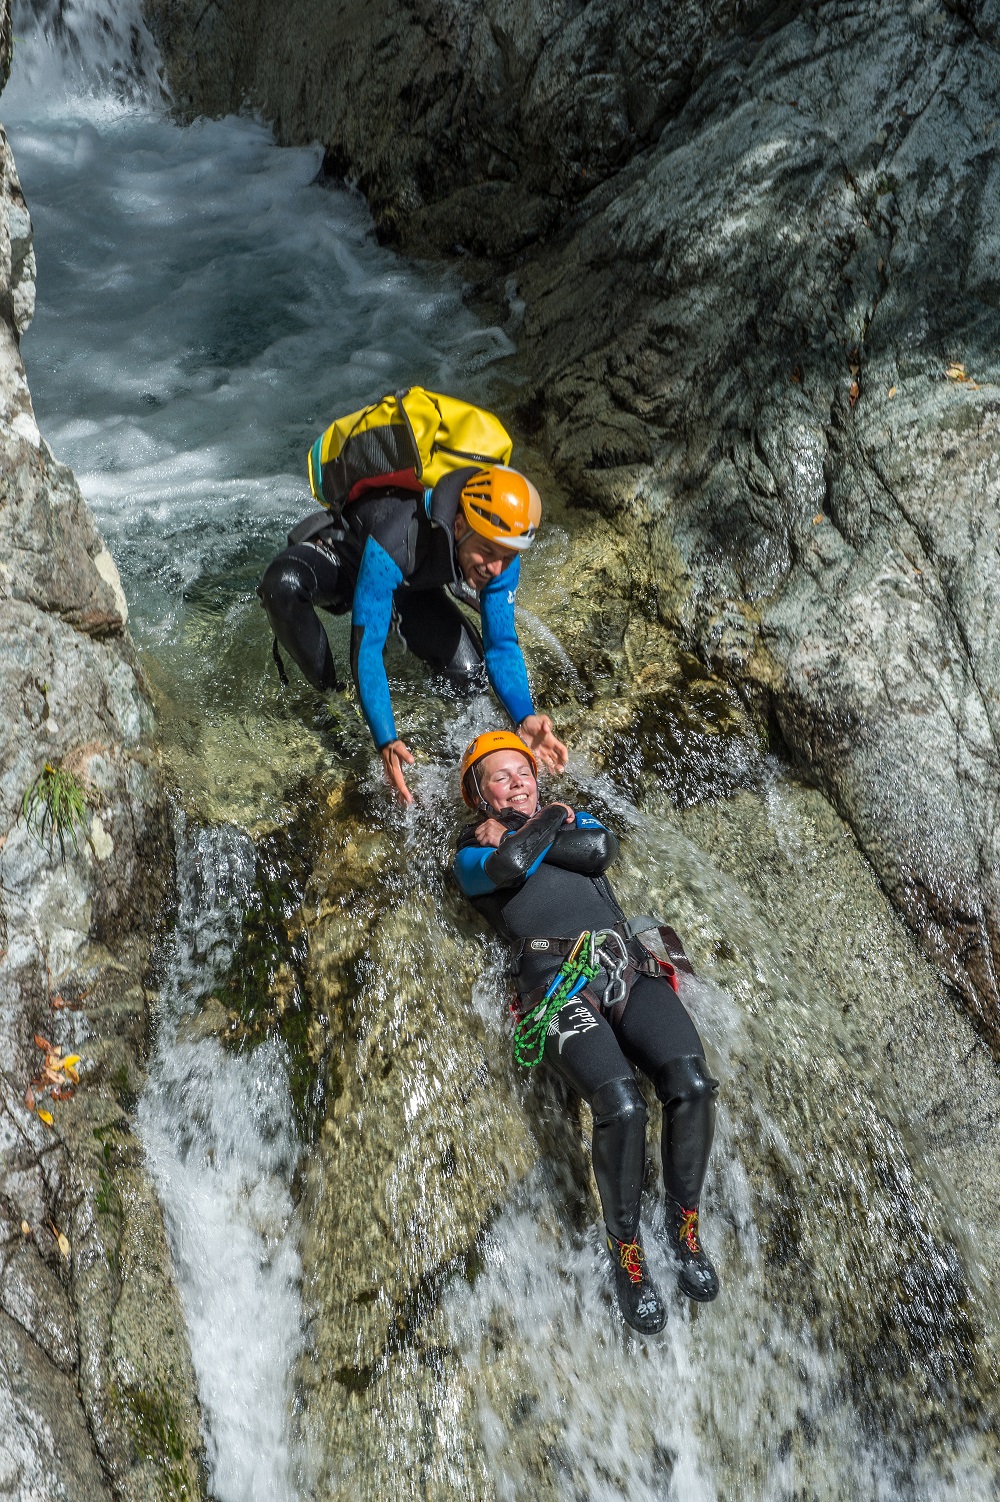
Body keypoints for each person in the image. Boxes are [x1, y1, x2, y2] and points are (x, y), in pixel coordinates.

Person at [452, 730, 720, 1334]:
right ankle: (628, 1257)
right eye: (501, 776)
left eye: (524, 772)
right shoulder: (469, 852)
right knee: (623, 1107)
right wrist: (544, 827)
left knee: (694, 1085)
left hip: (624, 965)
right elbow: (506, 867)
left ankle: (684, 1225)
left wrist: (533, 824)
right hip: (553, 985)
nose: (518, 781)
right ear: (478, 794)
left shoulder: (571, 820)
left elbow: (599, 849)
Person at [258, 465, 567, 802]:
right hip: (348, 561)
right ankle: (329, 696)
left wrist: (524, 716)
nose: (495, 568)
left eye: (507, 557)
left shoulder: (502, 555)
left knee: (469, 679)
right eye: (487, 552)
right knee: (282, 585)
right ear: (460, 525)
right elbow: (367, 648)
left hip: (409, 585)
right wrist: (386, 740)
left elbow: (502, 645)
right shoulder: (397, 540)